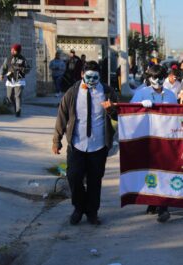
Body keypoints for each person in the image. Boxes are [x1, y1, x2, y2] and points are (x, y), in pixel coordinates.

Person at [52, 61, 118, 226]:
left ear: (100, 76)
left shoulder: (107, 92)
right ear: (82, 74)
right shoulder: (72, 92)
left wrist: (111, 110)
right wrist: (57, 140)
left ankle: (92, 212)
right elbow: (62, 115)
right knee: (74, 177)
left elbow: (118, 116)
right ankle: (78, 208)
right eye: (88, 76)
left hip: (98, 144)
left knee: (95, 181)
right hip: (77, 144)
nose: (91, 80)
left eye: (95, 77)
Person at [130, 65, 177, 223]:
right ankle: (152, 201)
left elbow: (177, 116)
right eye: (154, 77)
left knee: (164, 172)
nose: (158, 81)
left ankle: (163, 207)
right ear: (149, 78)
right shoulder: (141, 93)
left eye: (161, 77)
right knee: (149, 172)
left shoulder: (171, 95)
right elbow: (129, 114)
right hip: (148, 139)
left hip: (166, 139)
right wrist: (139, 106)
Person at [0, 43, 31, 117]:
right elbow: (3, 67)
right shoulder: (8, 58)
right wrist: (1, 74)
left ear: (18, 51)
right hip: (10, 80)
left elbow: (28, 68)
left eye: (14, 50)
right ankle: (15, 107)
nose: (12, 51)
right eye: (12, 50)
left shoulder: (23, 59)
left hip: (19, 80)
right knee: (9, 97)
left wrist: (22, 69)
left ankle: (18, 111)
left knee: (17, 96)